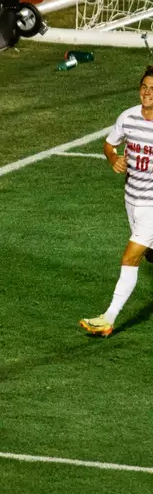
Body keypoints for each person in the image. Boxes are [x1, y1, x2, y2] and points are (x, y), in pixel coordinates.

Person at [80, 67, 153, 336]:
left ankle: (108, 318)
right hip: (131, 200)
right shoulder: (128, 117)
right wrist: (113, 159)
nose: (147, 92)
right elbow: (109, 145)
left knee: (130, 257)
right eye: (144, 87)